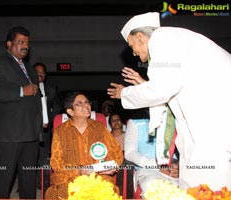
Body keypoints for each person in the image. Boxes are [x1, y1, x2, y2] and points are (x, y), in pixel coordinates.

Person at [107, 12, 231, 190]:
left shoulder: (162, 39)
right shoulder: (176, 39)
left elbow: (163, 89)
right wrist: (144, 85)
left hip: (211, 122)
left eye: (131, 44)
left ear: (140, 37)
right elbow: (171, 87)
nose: (133, 53)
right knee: (193, 181)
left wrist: (126, 93)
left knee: (208, 186)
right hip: (203, 124)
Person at [0, 26, 42, 199]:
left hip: (30, 132)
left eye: (27, 43)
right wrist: (21, 91)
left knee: (28, 178)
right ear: (9, 44)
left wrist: (41, 122)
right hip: (8, 133)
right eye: (21, 42)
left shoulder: (30, 69)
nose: (25, 46)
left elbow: (37, 97)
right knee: (4, 178)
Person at [45, 91, 123, 200]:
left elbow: (116, 152)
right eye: (79, 103)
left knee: (104, 193)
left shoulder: (99, 128)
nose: (86, 105)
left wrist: (110, 166)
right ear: (70, 111)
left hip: (97, 177)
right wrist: (80, 171)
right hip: (70, 179)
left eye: (87, 102)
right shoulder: (60, 131)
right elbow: (56, 163)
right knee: (64, 193)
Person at [125, 118, 179, 196]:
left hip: (173, 169)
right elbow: (130, 153)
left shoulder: (173, 118)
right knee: (155, 187)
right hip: (148, 169)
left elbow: (183, 150)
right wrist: (159, 165)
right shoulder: (135, 122)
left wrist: (178, 165)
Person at [33, 62, 61, 192]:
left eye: (42, 72)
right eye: (37, 72)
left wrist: (49, 119)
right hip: (30, 128)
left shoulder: (50, 89)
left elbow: (57, 106)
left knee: (44, 157)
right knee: (29, 157)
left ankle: (41, 182)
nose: (40, 74)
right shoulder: (27, 88)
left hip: (45, 130)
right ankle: (28, 182)